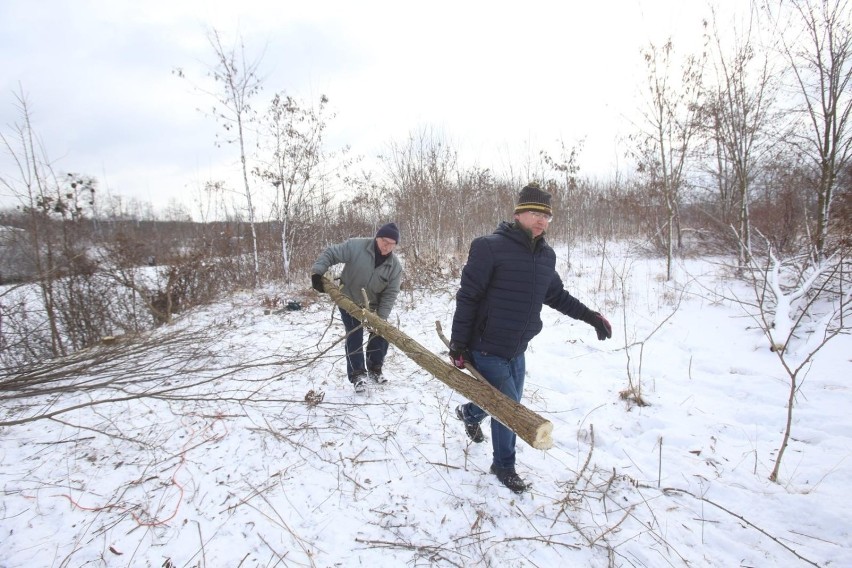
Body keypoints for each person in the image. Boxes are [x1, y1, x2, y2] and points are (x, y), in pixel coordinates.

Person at [449, 183, 612, 493]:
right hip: (486, 346)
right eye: (535, 213)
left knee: (500, 401)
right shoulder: (489, 247)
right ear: (518, 214)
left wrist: (591, 317)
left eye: (546, 216)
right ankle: (504, 465)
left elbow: (557, 295)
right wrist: (458, 343)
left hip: (517, 349)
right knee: (511, 409)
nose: (541, 221)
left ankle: (469, 413)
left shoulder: (545, 256)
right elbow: (468, 296)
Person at [311, 223, 403, 393]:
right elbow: (331, 253)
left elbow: (390, 294)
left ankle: (375, 368)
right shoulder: (356, 247)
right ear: (377, 237)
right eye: (384, 241)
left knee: (382, 333)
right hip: (349, 300)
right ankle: (358, 374)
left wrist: (380, 319)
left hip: (373, 306)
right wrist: (317, 272)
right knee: (354, 334)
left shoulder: (395, 266)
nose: (387, 246)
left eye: (392, 243)